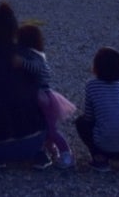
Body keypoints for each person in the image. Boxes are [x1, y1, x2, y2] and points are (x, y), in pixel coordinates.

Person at [0, 2, 48, 169]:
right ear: (15, 30)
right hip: (33, 140)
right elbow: (40, 85)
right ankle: (39, 154)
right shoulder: (27, 55)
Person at [17, 23, 76, 169]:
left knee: (50, 129)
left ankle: (66, 153)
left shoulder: (37, 56)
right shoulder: (34, 54)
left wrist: (21, 62)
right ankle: (52, 150)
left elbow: (35, 68)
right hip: (37, 96)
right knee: (42, 127)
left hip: (45, 97)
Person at [75, 47, 119, 173]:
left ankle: (99, 158)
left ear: (96, 68)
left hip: (106, 148)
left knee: (81, 122)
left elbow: (89, 116)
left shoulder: (92, 85)